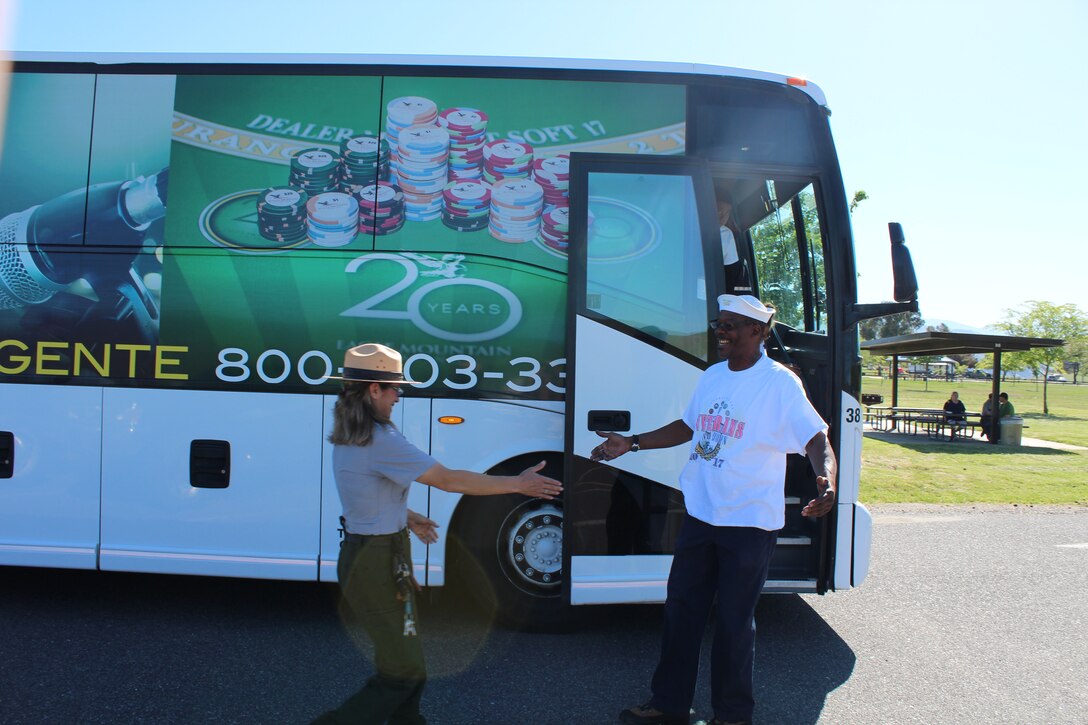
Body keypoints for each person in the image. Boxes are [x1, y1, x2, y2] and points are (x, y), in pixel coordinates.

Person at [593, 294, 837, 725]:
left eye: (732, 325)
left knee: (733, 622)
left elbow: (816, 437)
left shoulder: (779, 383)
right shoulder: (712, 376)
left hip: (748, 523)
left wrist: (826, 478)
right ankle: (668, 705)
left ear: (759, 331)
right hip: (702, 515)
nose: (720, 331)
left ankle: (732, 715)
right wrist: (631, 443)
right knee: (682, 611)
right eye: (719, 323)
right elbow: (689, 426)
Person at [313, 343, 562, 725]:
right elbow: (447, 480)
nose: (399, 395)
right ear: (373, 390)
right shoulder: (382, 440)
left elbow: (364, 493)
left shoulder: (352, 433)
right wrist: (518, 483)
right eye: (394, 387)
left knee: (407, 664)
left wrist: (407, 515)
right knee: (402, 673)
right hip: (374, 563)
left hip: (376, 556)